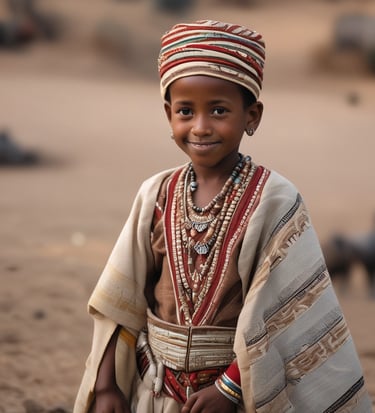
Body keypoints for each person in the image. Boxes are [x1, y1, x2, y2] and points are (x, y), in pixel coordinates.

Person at [73, 20, 372, 413]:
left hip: (235, 397)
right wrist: (108, 383)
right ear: (169, 116)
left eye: (218, 110)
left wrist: (230, 388)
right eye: (185, 111)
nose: (200, 127)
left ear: (252, 116)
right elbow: (120, 300)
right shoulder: (155, 195)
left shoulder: (275, 199)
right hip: (155, 393)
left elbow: (286, 314)